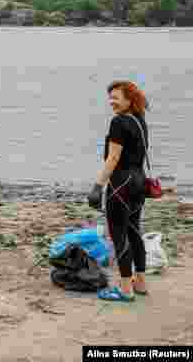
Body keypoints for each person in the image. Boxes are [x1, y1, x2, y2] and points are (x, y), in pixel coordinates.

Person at [87, 80, 150, 302]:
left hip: (121, 184)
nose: (111, 102)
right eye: (110, 98)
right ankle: (140, 282)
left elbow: (113, 158)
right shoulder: (140, 120)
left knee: (119, 235)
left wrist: (97, 186)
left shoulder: (118, 122)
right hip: (139, 182)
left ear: (129, 99)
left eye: (116, 97)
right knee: (134, 231)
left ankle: (125, 289)